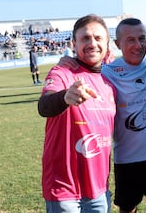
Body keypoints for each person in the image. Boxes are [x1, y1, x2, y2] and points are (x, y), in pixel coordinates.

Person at [58, 18, 146, 213]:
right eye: (130, 40)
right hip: (126, 158)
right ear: (118, 44)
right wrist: (67, 63)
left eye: (142, 38)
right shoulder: (106, 72)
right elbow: (85, 68)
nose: (138, 45)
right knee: (128, 207)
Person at [37, 14, 117, 213]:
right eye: (85, 38)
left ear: (107, 43)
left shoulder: (111, 78)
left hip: (99, 190)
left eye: (98, 38)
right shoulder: (62, 73)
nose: (92, 43)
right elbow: (44, 106)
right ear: (74, 43)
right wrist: (65, 96)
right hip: (65, 190)